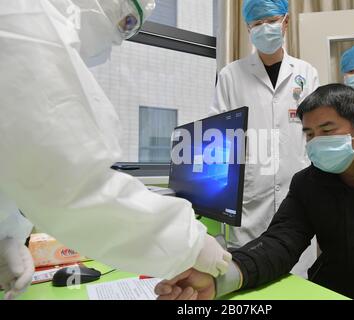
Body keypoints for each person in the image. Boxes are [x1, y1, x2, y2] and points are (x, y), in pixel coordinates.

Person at [0, 0, 231, 300]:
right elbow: (71, 182)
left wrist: (4, 236)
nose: (117, 42)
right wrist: (190, 241)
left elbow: (19, 162)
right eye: (127, 23)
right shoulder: (26, 22)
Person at [156, 84, 354, 300]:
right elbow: (279, 243)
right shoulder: (308, 183)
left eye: (327, 130)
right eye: (309, 134)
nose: (315, 142)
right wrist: (220, 279)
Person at [210, 0, 319, 278]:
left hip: (298, 195)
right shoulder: (230, 75)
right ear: (248, 28)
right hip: (248, 199)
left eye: (270, 20)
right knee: (246, 276)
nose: (265, 28)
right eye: (257, 23)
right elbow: (219, 139)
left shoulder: (306, 73)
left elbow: (316, 134)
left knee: (297, 281)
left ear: (285, 22)